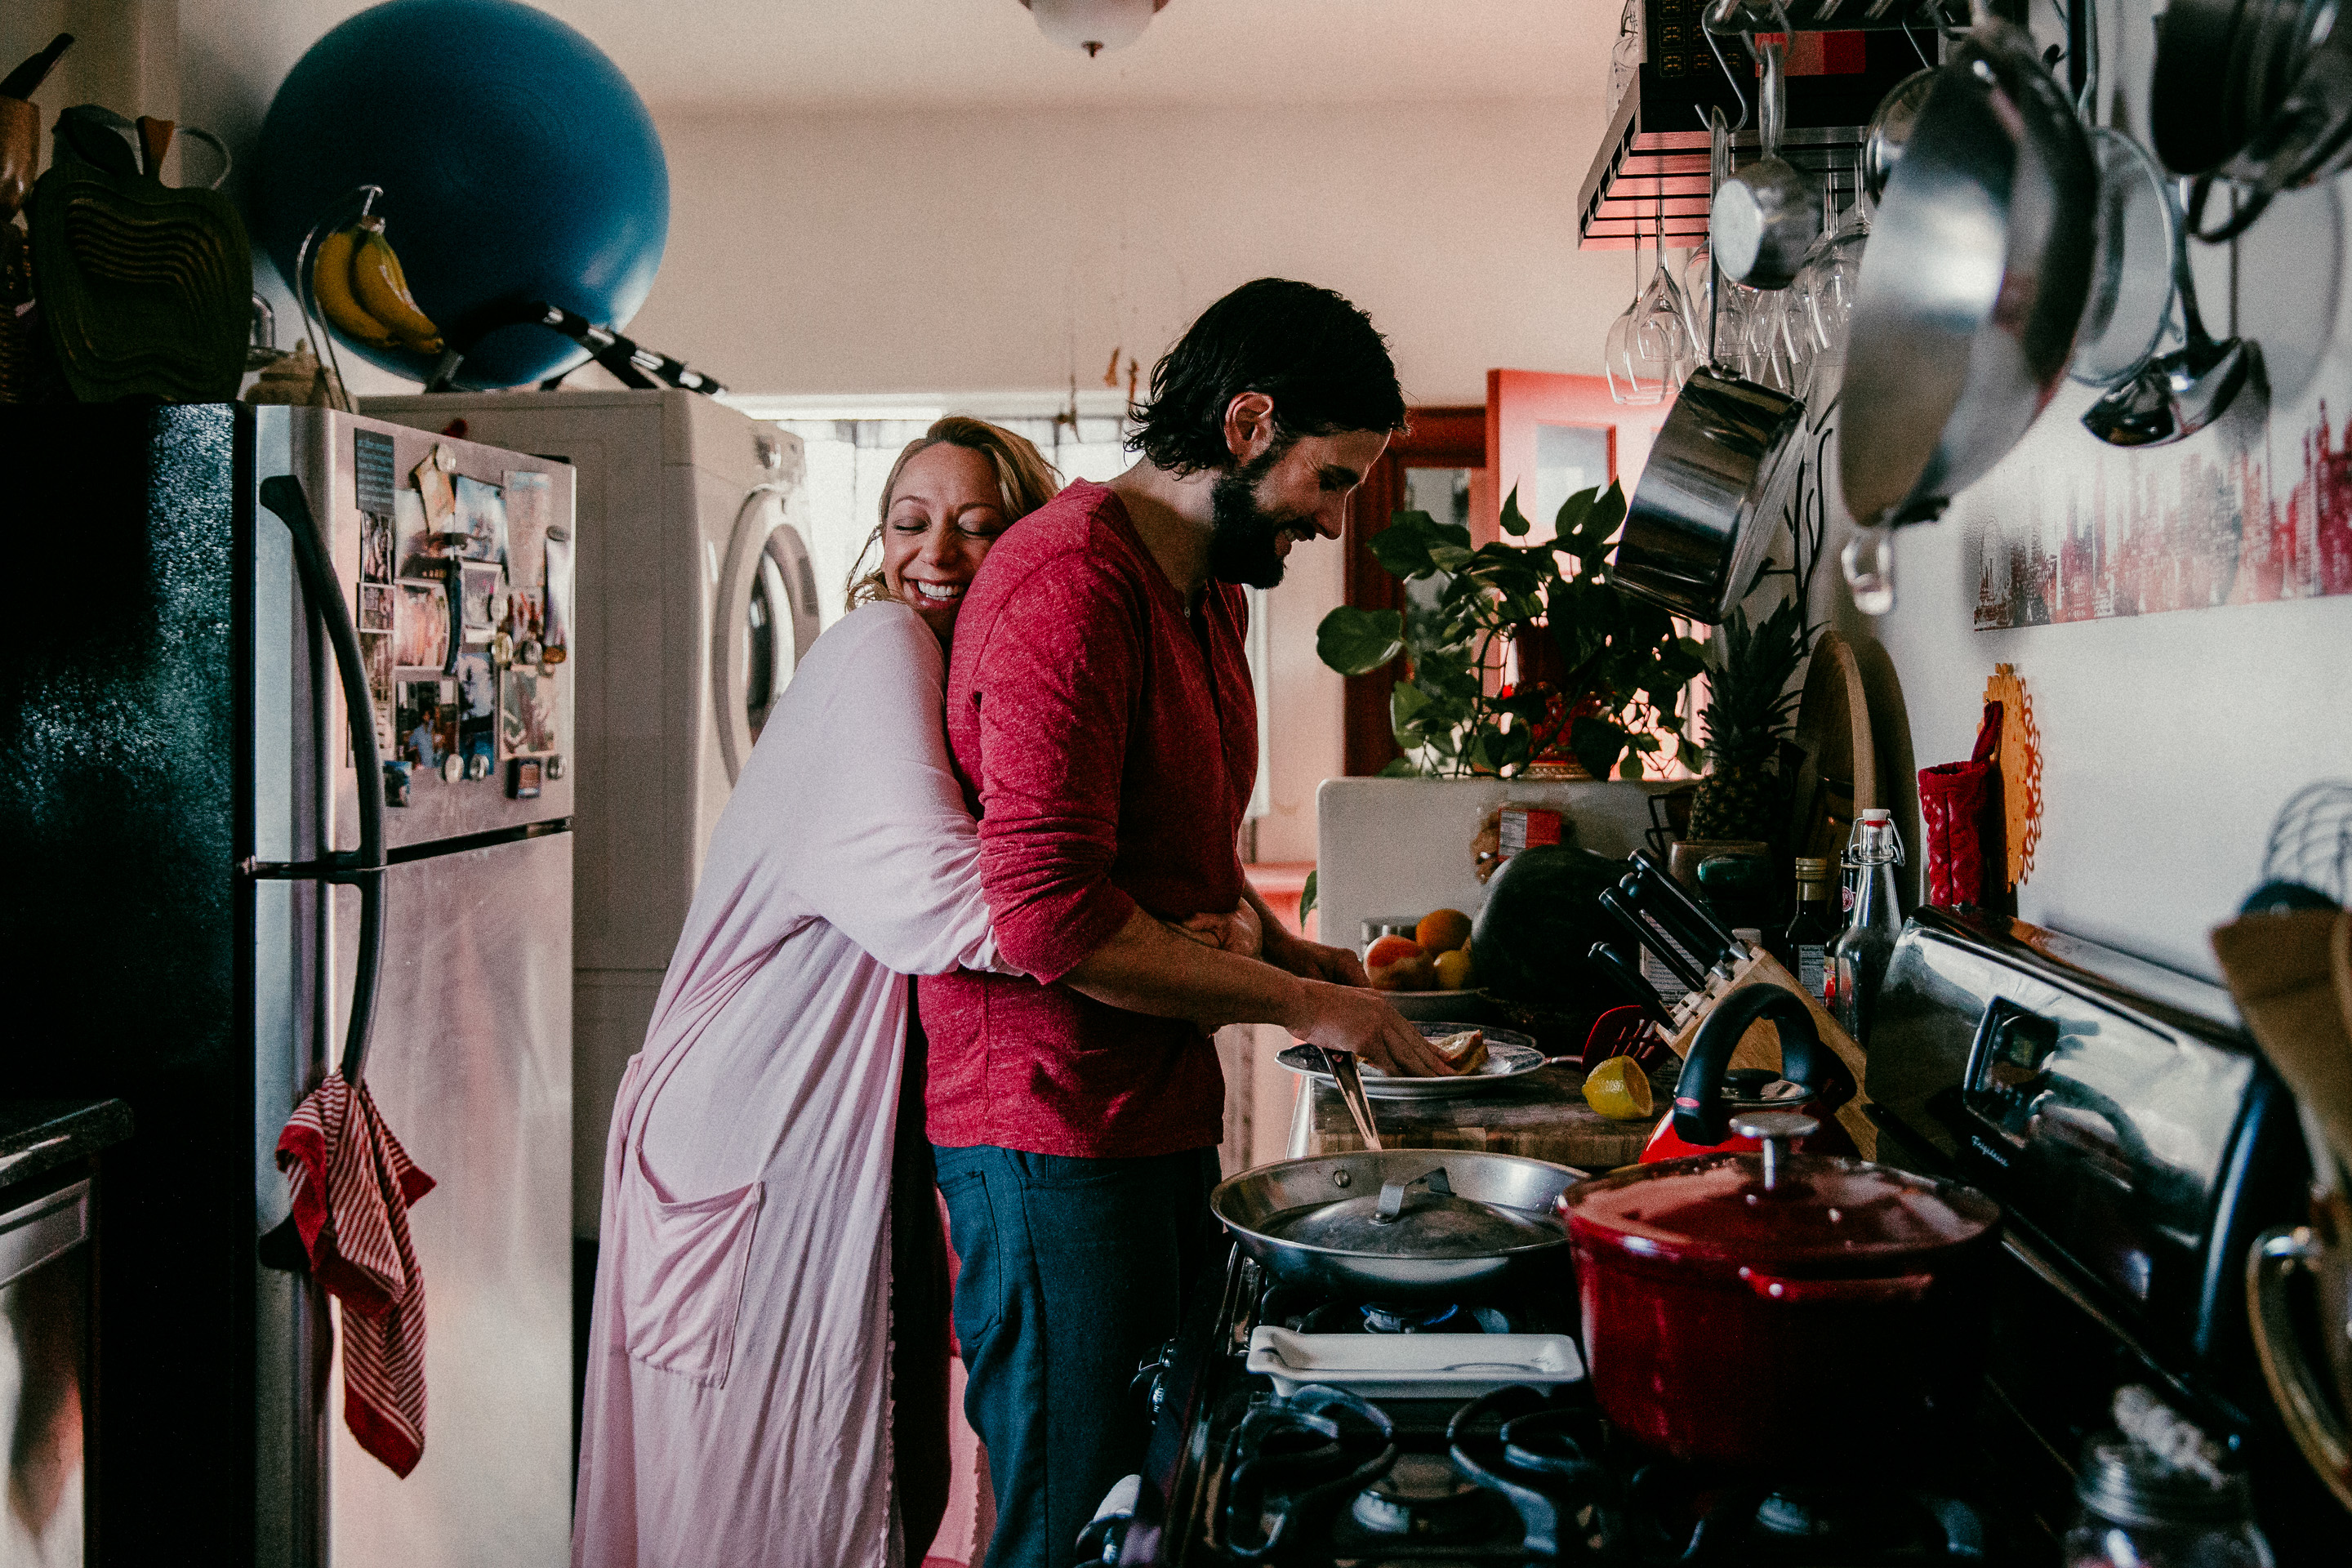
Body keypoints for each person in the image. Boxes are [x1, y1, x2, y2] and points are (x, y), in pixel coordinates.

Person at [924, 278, 1451, 1567]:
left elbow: (1184, 867)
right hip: (1047, 1127)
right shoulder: (1067, 591)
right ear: (1247, 423)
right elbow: (1053, 922)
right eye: (1328, 482)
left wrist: (1301, 955)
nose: (1334, 524)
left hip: (1144, 1104)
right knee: (1068, 1514)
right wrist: (1312, 1007)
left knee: (1150, 1497)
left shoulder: (1208, 583)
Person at [573, 419, 1085, 1568]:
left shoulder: (965, 683)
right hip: (759, 1129)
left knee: (865, 1456)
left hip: (806, 1129)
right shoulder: (876, 645)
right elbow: (947, 905)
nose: (936, 550)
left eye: (976, 523)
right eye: (911, 523)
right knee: (780, 1503)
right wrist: (1196, 945)